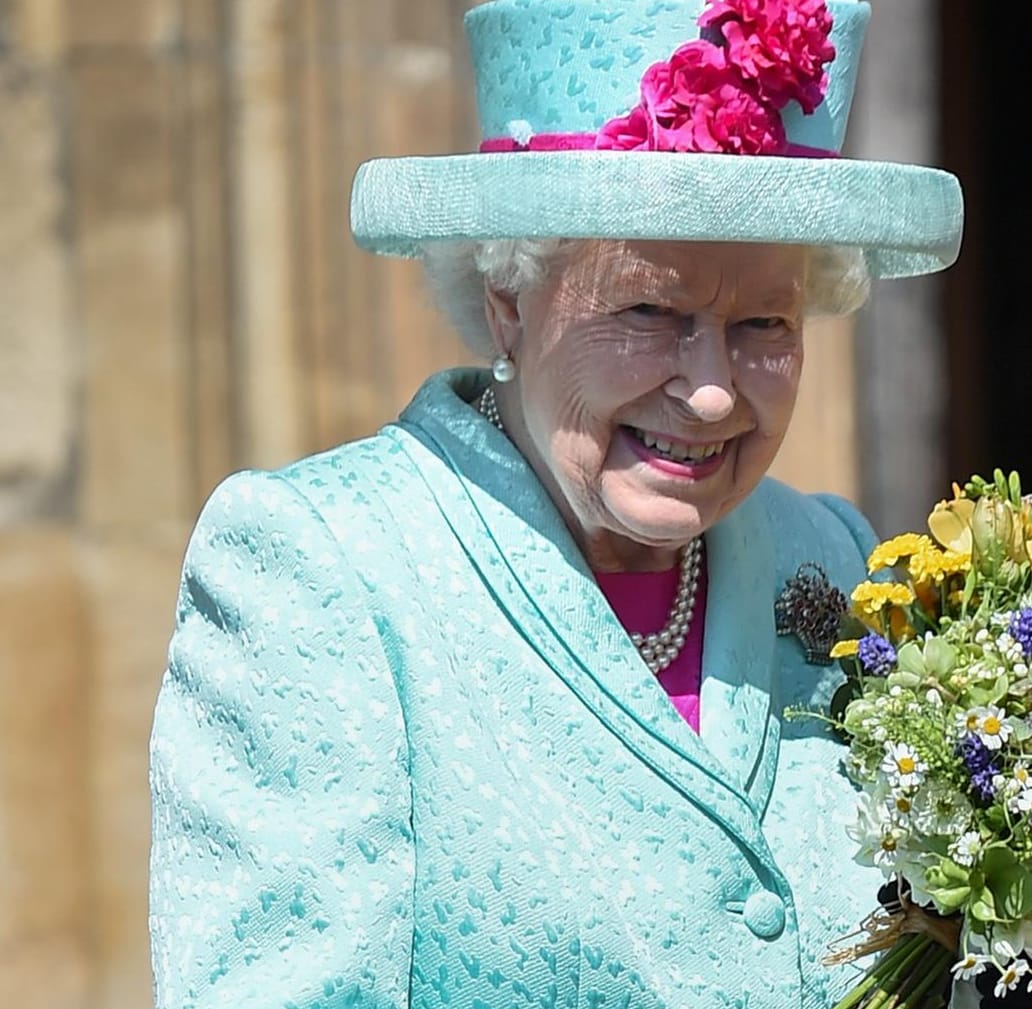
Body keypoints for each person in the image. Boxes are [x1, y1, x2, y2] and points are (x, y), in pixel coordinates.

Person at [146, 2, 972, 1007]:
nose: (711, 391)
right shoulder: (319, 562)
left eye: (764, 321)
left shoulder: (838, 558)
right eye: (648, 312)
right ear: (509, 298)